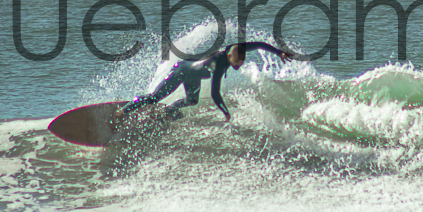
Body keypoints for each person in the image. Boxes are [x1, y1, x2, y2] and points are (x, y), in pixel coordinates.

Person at [121, 42, 297, 121]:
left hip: (193, 75)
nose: (238, 64)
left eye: (241, 61)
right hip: (181, 71)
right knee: (154, 97)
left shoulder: (235, 49)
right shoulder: (220, 63)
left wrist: (279, 52)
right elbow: (215, 93)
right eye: (236, 61)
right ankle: (123, 111)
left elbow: (259, 44)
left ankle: (168, 111)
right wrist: (225, 111)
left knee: (192, 100)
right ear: (229, 56)